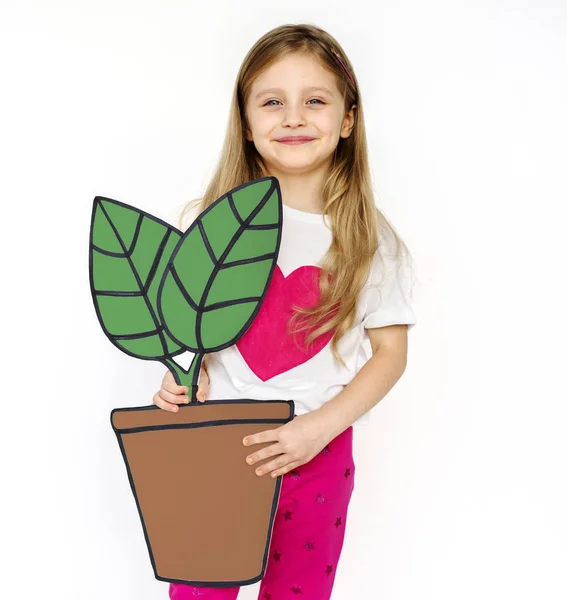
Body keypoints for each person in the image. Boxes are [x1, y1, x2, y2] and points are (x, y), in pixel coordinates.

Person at [154, 23, 417, 600]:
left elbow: (390, 354)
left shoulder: (372, 241)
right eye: (272, 102)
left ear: (348, 119)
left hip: (319, 454)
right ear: (246, 124)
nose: (293, 118)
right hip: (216, 445)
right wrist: (180, 383)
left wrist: (317, 430)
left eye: (315, 101)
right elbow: (189, 339)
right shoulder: (210, 226)